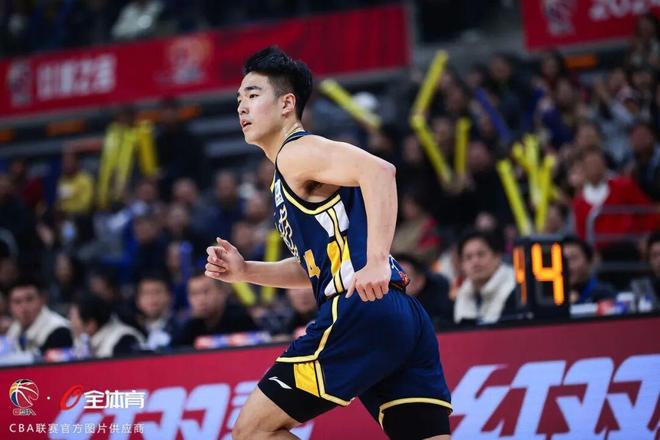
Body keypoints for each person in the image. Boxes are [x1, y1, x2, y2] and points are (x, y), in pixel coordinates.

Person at [205, 47, 452, 440]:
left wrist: (376, 260)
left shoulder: (296, 151)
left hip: (360, 308)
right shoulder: (294, 171)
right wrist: (246, 270)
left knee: (252, 432)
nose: (242, 106)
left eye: (252, 94)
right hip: (399, 314)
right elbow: (316, 267)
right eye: (238, 99)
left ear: (287, 104)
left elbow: (380, 171)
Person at [174, 270, 257, 347]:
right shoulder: (190, 327)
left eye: (206, 291)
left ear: (221, 292)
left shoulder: (240, 319)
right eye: (194, 294)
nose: (200, 299)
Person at [453, 230, 517, 325]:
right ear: (462, 265)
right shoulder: (463, 293)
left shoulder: (515, 291)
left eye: (481, 254)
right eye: (468, 257)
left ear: (497, 257)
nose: (475, 262)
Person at [5, 276, 73, 355]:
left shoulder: (60, 331)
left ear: (43, 300)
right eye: (17, 302)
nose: (24, 307)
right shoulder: (14, 329)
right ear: (9, 307)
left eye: (29, 299)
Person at [562, 236, 617, 304]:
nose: (568, 265)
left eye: (573, 258)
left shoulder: (604, 293)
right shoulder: (551, 297)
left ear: (589, 261)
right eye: (562, 259)